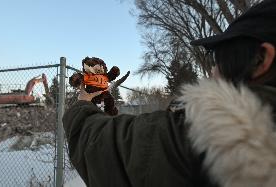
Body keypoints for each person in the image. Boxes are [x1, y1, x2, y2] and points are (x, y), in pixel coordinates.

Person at [63, 0, 276, 186]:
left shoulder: (207, 131)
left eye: (218, 58)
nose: (212, 70)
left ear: (261, 58)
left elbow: (100, 147)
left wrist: (83, 103)